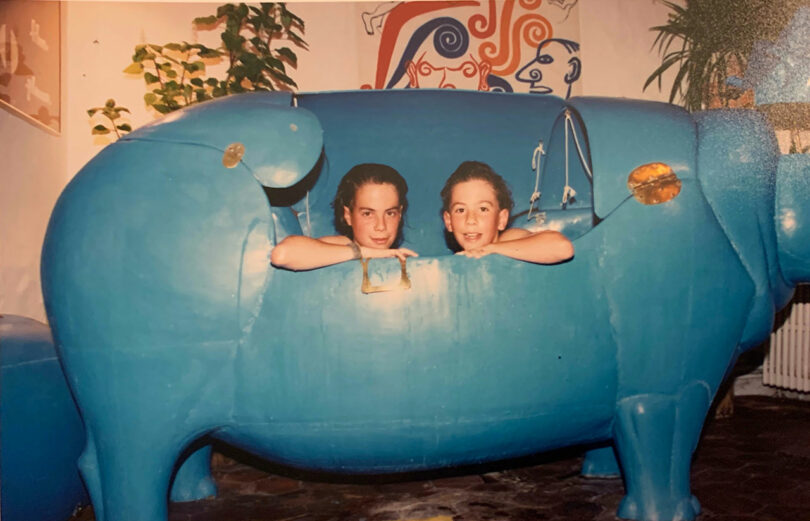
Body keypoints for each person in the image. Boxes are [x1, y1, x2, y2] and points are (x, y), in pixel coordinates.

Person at [271, 163, 417, 271]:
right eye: (368, 214)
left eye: (390, 213)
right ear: (348, 215)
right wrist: (364, 252)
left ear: (400, 215)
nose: (381, 226)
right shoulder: (338, 246)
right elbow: (282, 254)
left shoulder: (405, 260)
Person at [440, 161, 574, 263]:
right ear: (448, 221)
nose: (470, 220)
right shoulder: (459, 259)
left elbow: (563, 247)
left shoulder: (507, 239)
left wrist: (491, 249)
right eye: (461, 210)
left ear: (501, 219)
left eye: (483, 209)